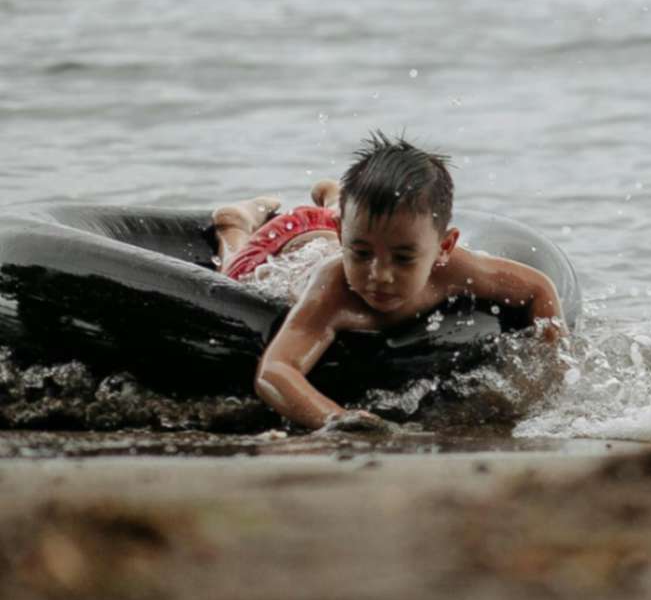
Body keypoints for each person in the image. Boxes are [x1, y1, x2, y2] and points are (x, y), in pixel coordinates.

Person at [210, 133, 563, 434]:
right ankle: (235, 223)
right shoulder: (331, 291)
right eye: (362, 256)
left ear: (444, 247)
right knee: (235, 272)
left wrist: (550, 367)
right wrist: (334, 417)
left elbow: (539, 289)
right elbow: (276, 371)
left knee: (361, 233)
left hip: (341, 233)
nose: (380, 275)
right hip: (288, 243)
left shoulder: (457, 270)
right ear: (346, 237)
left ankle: (334, 199)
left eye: (404, 258)